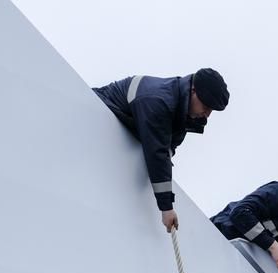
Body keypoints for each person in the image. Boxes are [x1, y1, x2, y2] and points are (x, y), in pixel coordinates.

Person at [93, 68, 230, 232]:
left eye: (211, 110)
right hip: (100, 116)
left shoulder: (182, 112)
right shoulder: (160, 100)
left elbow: (167, 149)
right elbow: (158, 153)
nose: (207, 114)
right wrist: (166, 207)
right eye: (206, 106)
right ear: (193, 90)